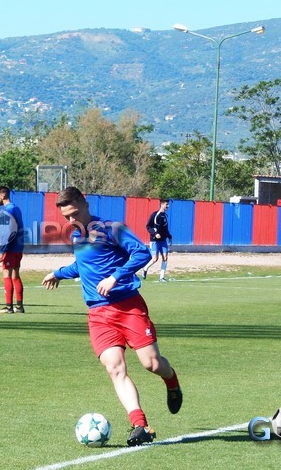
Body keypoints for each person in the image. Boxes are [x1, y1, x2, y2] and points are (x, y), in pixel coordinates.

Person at [41, 186, 182, 446]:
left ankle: (171, 380)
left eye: (74, 214)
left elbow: (142, 252)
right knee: (115, 368)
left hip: (128, 307)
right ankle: (140, 425)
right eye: (66, 217)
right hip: (98, 313)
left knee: (151, 364)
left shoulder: (112, 228)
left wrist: (115, 277)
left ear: (85, 203)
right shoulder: (77, 236)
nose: (71, 221)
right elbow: (83, 265)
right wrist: (58, 273)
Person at [0, 186, 25, 314]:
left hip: (10, 248)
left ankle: (8, 307)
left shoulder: (7, 210)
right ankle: (19, 306)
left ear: (3, 196)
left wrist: (2, 250)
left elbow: (8, 232)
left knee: (6, 275)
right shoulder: (16, 208)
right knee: (16, 275)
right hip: (18, 247)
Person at [141, 199, 172, 282]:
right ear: (162, 204)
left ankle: (162, 277)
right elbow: (148, 226)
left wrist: (169, 236)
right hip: (154, 241)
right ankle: (145, 268)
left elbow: (165, 228)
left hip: (163, 241)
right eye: (166, 204)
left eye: (168, 204)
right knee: (155, 259)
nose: (168, 206)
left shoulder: (165, 216)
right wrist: (155, 234)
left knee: (165, 257)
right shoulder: (154, 215)